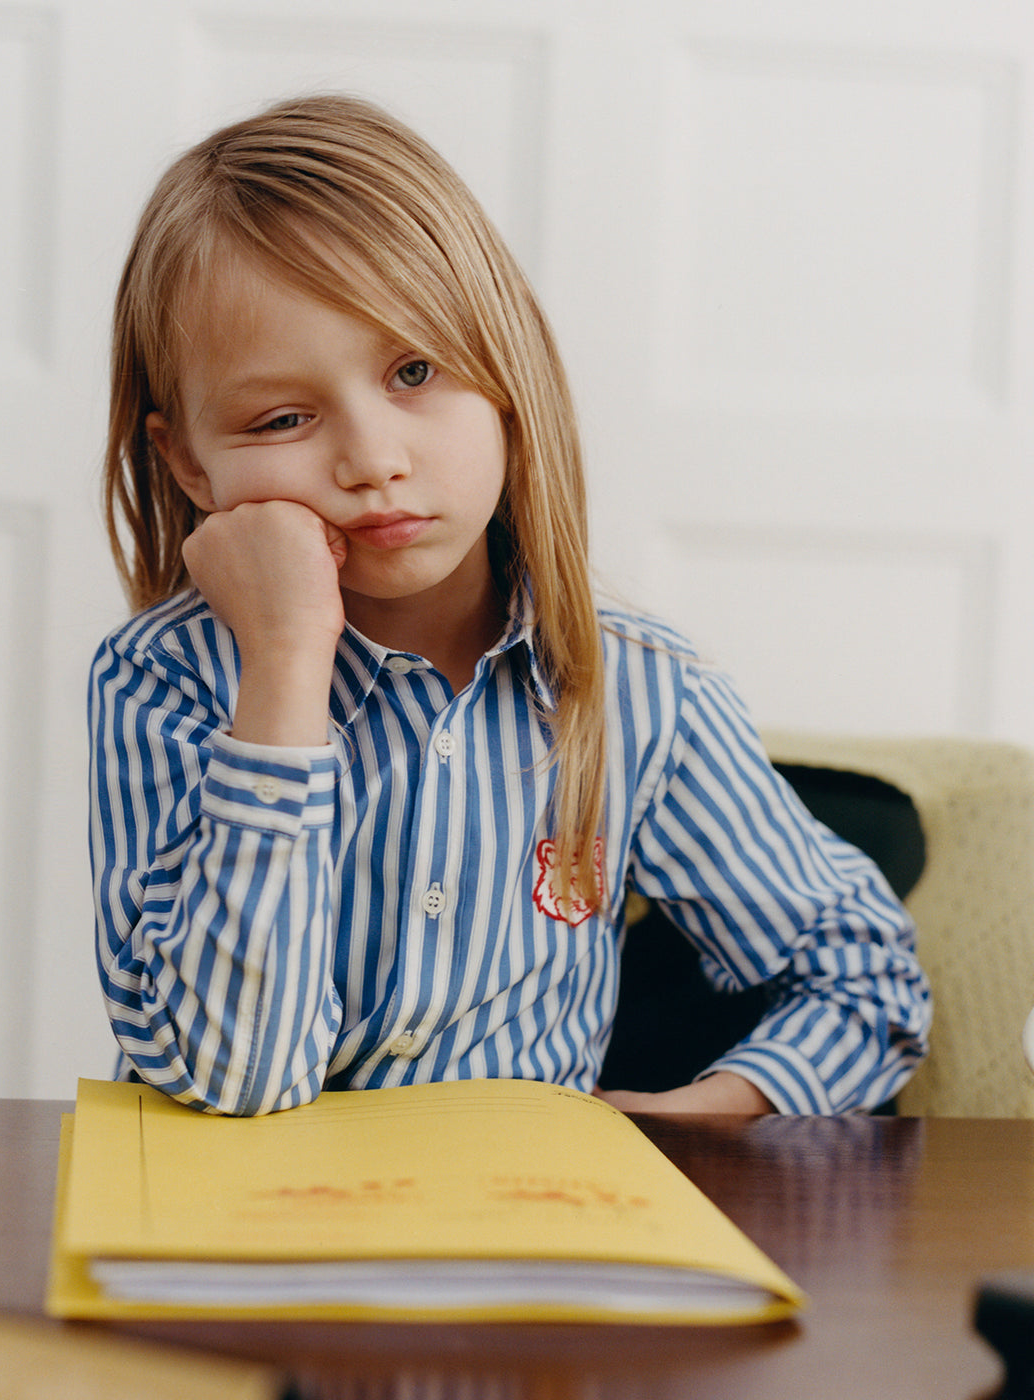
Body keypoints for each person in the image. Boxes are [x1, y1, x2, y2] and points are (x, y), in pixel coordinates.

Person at [89, 94, 931, 1117]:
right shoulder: (162, 681)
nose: (372, 459)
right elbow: (235, 1077)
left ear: (505, 374)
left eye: (412, 370)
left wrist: (699, 1117)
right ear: (187, 461)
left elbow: (863, 976)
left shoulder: (636, 691)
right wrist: (284, 664)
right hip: (239, 1251)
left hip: (522, 1250)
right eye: (281, 417)